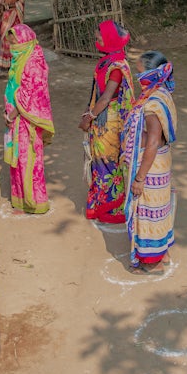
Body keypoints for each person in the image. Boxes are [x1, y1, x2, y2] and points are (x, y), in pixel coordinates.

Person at [121, 51, 178, 273]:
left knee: (147, 212)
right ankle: (163, 254)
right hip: (157, 162)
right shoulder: (161, 93)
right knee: (159, 212)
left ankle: (152, 263)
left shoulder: (153, 103)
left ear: (151, 74)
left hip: (150, 166)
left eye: (140, 72)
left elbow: (153, 141)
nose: (138, 77)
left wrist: (139, 178)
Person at [79, 20, 135, 224]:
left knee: (108, 162)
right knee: (99, 161)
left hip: (109, 123)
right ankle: (102, 204)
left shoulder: (118, 66)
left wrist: (90, 117)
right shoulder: (107, 61)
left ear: (110, 39)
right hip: (101, 119)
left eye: (99, 37)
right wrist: (88, 112)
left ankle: (112, 208)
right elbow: (97, 92)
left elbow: (106, 97)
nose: (96, 41)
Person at [4, 24, 54, 213]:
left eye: (15, 43)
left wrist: (13, 113)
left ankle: (35, 202)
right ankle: (20, 199)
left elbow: (30, 92)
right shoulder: (20, 58)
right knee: (19, 159)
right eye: (10, 43)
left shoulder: (33, 62)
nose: (12, 47)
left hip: (27, 119)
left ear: (25, 42)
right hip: (14, 116)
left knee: (28, 159)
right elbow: (12, 87)